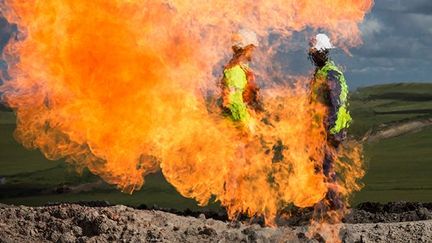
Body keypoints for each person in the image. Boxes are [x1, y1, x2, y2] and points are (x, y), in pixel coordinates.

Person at [308, 33, 352, 209]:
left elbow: (335, 104)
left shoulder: (330, 74)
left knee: (326, 167)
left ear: (322, 52)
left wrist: (332, 129)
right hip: (321, 129)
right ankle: (325, 204)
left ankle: (336, 207)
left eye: (315, 53)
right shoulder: (321, 73)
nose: (312, 56)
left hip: (330, 129)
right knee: (319, 167)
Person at [220, 28, 261, 130]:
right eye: (252, 48)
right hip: (237, 131)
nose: (253, 51)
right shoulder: (235, 71)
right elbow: (234, 101)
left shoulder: (240, 69)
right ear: (246, 48)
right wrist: (246, 124)